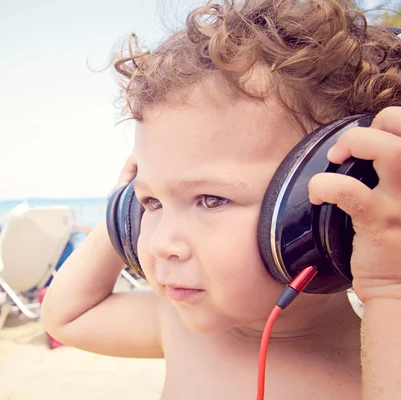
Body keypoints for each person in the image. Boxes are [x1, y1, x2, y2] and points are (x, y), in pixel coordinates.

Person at [40, 0, 401, 398]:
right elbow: (66, 317)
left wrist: (389, 290)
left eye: (210, 200)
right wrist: (121, 206)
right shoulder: (180, 326)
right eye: (150, 204)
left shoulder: (379, 361)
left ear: (334, 216)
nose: (160, 245)